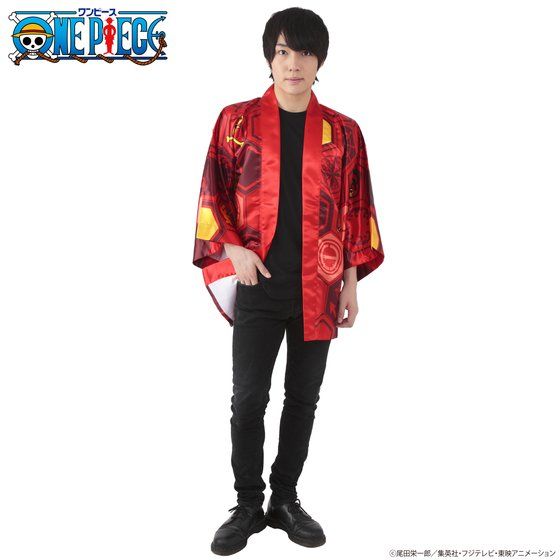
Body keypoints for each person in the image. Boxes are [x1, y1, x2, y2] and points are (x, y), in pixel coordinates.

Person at [192, 7, 385, 555]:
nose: (293, 63)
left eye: (304, 52)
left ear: (319, 60)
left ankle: (284, 499)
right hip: (259, 282)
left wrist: (351, 283)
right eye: (282, 51)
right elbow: (213, 192)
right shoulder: (236, 122)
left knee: (303, 399)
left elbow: (355, 210)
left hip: (319, 286)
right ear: (269, 58)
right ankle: (247, 504)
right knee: (248, 399)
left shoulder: (343, 132)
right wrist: (233, 249)